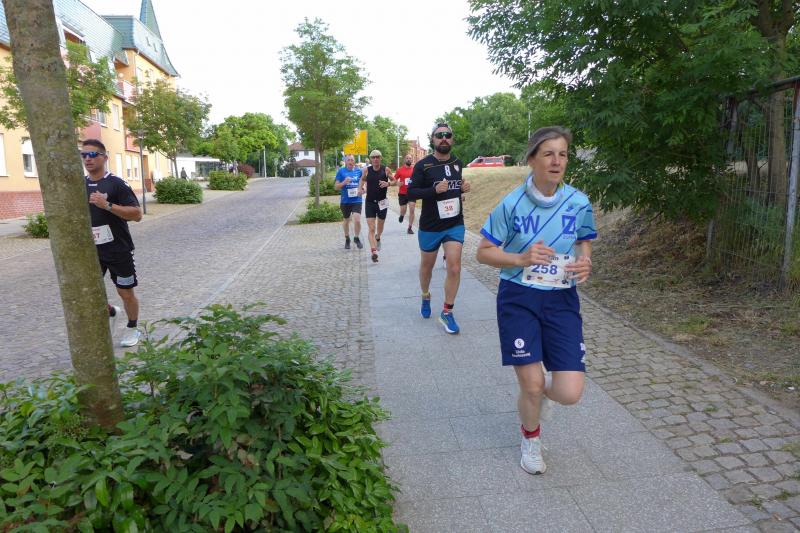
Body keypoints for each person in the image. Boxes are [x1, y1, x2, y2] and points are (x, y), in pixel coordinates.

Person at [476, 126, 596, 475]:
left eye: (563, 154)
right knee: (530, 384)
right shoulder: (511, 204)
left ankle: (539, 395)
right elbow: (483, 252)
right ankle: (531, 438)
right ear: (531, 159)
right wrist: (520, 258)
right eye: (548, 154)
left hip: (562, 299)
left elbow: (584, 240)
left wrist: (585, 261)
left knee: (570, 392)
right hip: (519, 298)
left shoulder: (579, 202)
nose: (557, 161)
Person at [406, 123, 471, 334]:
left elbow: (454, 189)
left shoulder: (457, 163)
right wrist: (433, 190)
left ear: (452, 139)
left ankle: (447, 312)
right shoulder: (423, 165)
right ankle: (425, 295)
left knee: (454, 267)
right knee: (427, 267)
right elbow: (411, 192)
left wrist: (462, 188)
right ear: (432, 139)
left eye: (447, 135)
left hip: (454, 224)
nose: (444, 138)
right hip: (431, 226)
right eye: (439, 135)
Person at [83, 139, 144, 347]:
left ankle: (133, 328)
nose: (87, 159)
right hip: (91, 251)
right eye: (84, 155)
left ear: (104, 157)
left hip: (118, 249)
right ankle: (111, 312)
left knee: (125, 292)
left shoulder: (116, 183)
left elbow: (137, 214)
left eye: (92, 154)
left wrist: (107, 205)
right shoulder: (80, 185)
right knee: (87, 293)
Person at [358, 149, 395, 262]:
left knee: (380, 226)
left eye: (377, 157)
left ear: (380, 158)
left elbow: (395, 181)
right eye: (373, 157)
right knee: (371, 228)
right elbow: (362, 180)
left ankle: (378, 237)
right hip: (370, 202)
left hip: (382, 202)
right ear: (370, 159)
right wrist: (360, 189)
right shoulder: (366, 170)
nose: (375, 159)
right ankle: (373, 251)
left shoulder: (386, 169)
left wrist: (388, 183)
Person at [333, 154, 364, 250]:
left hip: (357, 200)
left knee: (357, 220)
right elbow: (335, 187)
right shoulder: (341, 171)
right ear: (346, 162)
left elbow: (363, 183)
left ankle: (356, 238)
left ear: (354, 161)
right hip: (345, 201)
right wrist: (344, 182)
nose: (351, 161)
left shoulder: (359, 171)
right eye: (349, 160)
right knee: (346, 220)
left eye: (352, 160)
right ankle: (347, 238)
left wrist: (363, 189)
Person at [394, 154, 416, 234]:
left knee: (412, 209)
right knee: (403, 210)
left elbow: (418, 179)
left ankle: (410, 228)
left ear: (412, 160)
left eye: (410, 158)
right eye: (407, 158)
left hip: (412, 193)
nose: (409, 159)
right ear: (404, 160)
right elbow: (394, 179)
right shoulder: (400, 170)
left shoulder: (415, 170)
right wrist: (397, 183)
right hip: (402, 193)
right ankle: (402, 215)